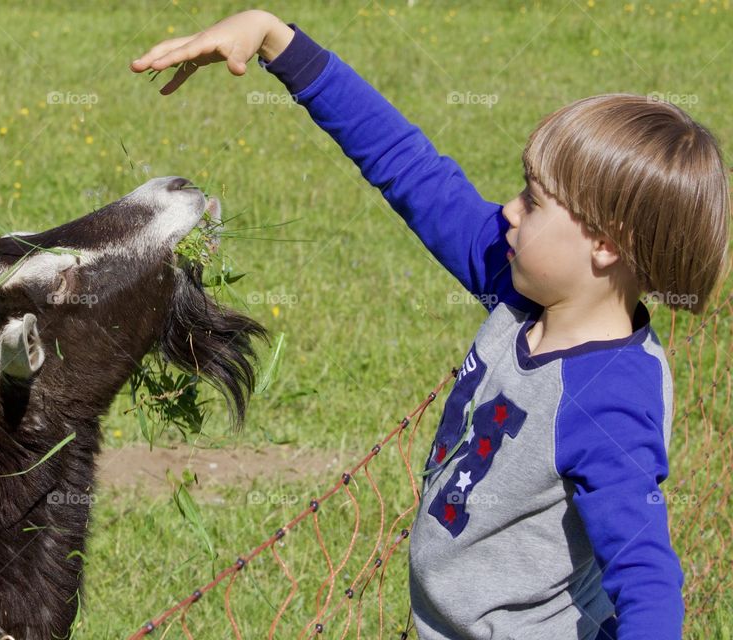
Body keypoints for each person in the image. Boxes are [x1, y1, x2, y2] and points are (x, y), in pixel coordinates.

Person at [130, 10, 730, 640]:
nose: (508, 208)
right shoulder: (523, 288)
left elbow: (647, 579)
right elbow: (408, 167)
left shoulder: (607, 400)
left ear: (606, 244)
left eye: (534, 198)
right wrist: (275, 37)